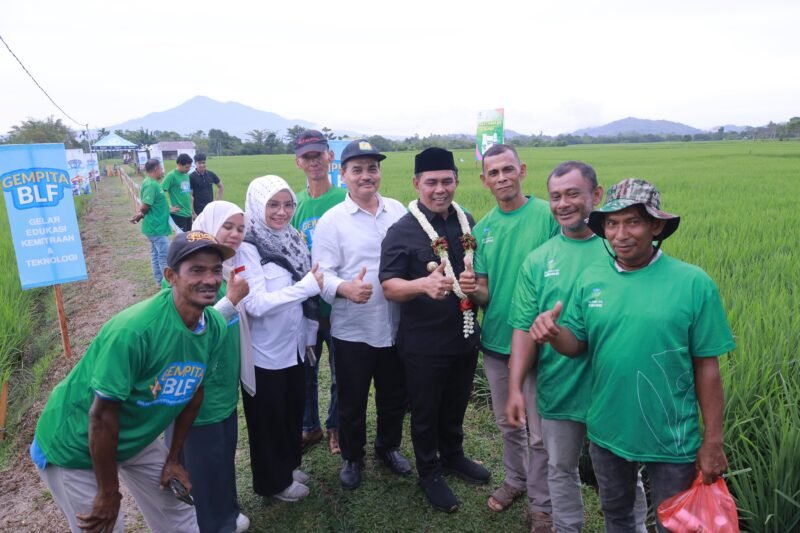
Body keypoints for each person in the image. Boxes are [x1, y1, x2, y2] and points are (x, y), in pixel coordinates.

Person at [530, 178, 736, 532]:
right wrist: (553, 334)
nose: (620, 233)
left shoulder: (692, 283)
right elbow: (577, 344)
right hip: (608, 430)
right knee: (618, 517)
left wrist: (713, 441)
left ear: (656, 226)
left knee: (676, 525)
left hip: (671, 437)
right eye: (612, 223)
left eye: (633, 222)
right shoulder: (592, 278)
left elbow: (708, 368)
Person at [29, 231, 234, 533]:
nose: (210, 279)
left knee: (179, 515)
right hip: (75, 443)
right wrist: (109, 491)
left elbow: (194, 392)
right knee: (105, 526)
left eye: (216, 269)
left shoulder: (213, 325)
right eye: (197, 270)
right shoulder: (135, 331)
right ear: (171, 276)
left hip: (133, 436)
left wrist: (175, 458)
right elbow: (101, 415)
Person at [506, 162, 648, 533]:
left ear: (595, 196)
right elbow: (522, 328)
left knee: (624, 473)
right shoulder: (539, 260)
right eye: (555, 196)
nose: (563, 203)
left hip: (614, 389)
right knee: (559, 468)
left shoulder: (619, 250)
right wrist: (515, 387)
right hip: (560, 386)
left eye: (573, 194)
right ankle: (566, 528)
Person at [380, 147, 488, 513]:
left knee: (455, 403)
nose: (440, 189)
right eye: (431, 182)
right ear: (416, 184)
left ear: (456, 181)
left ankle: (453, 456)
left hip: (464, 333)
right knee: (426, 411)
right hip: (424, 343)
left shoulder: (465, 220)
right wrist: (421, 286)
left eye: (447, 181)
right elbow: (389, 286)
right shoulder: (402, 230)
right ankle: (429, 471)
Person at [456, 144, 557, 528]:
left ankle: (542, 502)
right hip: (497, 343)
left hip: (543, 344)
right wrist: (469, 287)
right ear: (484, 180)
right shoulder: (482, 231)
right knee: (509, 423)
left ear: (522, 171)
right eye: (493, 173)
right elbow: (485, 293)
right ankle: (515, 479)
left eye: (507, 170)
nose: (501, 178)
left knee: (540, 431)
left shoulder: (548, 215)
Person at [312, 139, 410, 490]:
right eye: (357, 170)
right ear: (344, 175)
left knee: (393, 395)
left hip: (396, 326)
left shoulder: (399, 211)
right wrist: (345, 288)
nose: (366, 176)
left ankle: (388, 447)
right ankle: (352, 456)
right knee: (352, 398)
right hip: (353, 329)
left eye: (372, 168)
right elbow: (321, 276)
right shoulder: (331, 221)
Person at [166, 201, 251, 532]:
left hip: (222, 388)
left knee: (222, 456)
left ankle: (226, 510)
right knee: (204, 462)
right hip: (196, 396)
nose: (234, 234)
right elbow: (193, 328)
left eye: (240, 228)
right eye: (227, 226)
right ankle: (213, 523)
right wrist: (231, 302)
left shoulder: (226, 273)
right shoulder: (181, 283)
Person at [238, 175, 323, 502]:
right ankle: (272, 484)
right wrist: (306, 287)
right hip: (264, 353)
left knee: (290, 412)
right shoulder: (247, 247)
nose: (282, 211)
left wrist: (309, 336)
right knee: (268, 422)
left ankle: (287, 467)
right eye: (273, 204)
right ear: (258, 205)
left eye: (288, 204)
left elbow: (309, 292)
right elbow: (255, 304)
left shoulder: (294, 238)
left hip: (294, 347)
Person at [290, 130, 347, 455]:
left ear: (329, 157)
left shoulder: (343, 199)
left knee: (341, 371)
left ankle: (335, 427)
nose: (313, 162)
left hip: (339, 303)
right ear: (299, 162)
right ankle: (309, 426)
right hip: (307, 307)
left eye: (318, 155)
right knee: (307, 368)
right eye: (306, 157)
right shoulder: (294, 203)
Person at [130, 158, 172, 288]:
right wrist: (140, 214)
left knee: (155, 254)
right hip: (156, 227)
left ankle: (160, 282)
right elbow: (146, 205)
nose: (162, 171)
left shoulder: (153, 183)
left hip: (157, 226)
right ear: (155, 169)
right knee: (164, 255)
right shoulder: (150, 184)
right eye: (161, 168)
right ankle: (167, 284)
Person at [163, 153, 194, 232]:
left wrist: (192, 211)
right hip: (179, 214)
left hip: (188, 213)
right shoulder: (171, 176)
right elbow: (160, 192)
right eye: (187, 167)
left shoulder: (186, 175)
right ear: (179, 164)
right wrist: (168, 208)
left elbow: (187, 194)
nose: (189, 169)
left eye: (190, 167)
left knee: (189, 238)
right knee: (181, 240)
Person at [189, 153, 224, 217]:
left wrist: (217, 201)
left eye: (203, 162)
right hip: (197, 210)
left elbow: (220, 186)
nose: (202, 165)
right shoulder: (191, 177)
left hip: (210, 208)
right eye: (199, 163)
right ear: (195, 163)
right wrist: (193, 213)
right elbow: (190, 196)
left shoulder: (211, 174)